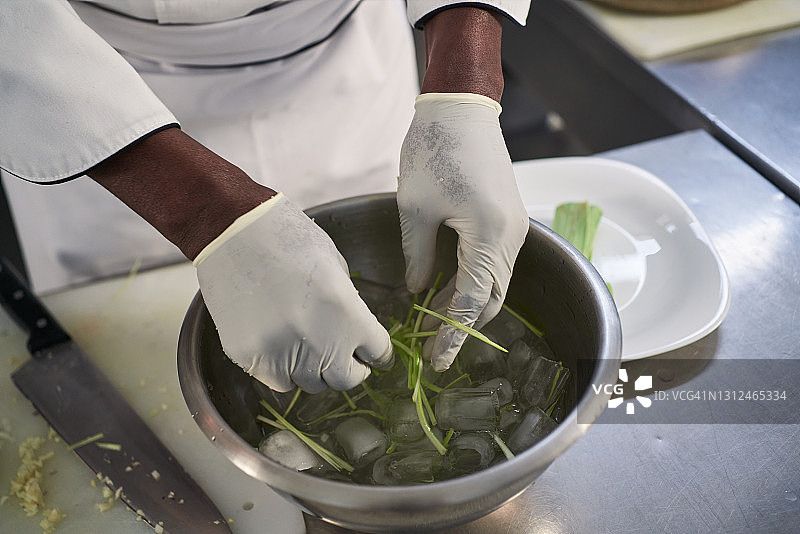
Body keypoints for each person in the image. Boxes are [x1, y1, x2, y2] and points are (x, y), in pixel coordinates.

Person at [1, 0, 531, 393]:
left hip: (346, 65)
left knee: (385, 275)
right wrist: (202, 214)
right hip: (91, 97)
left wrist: (464, 84)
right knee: (133, 353)